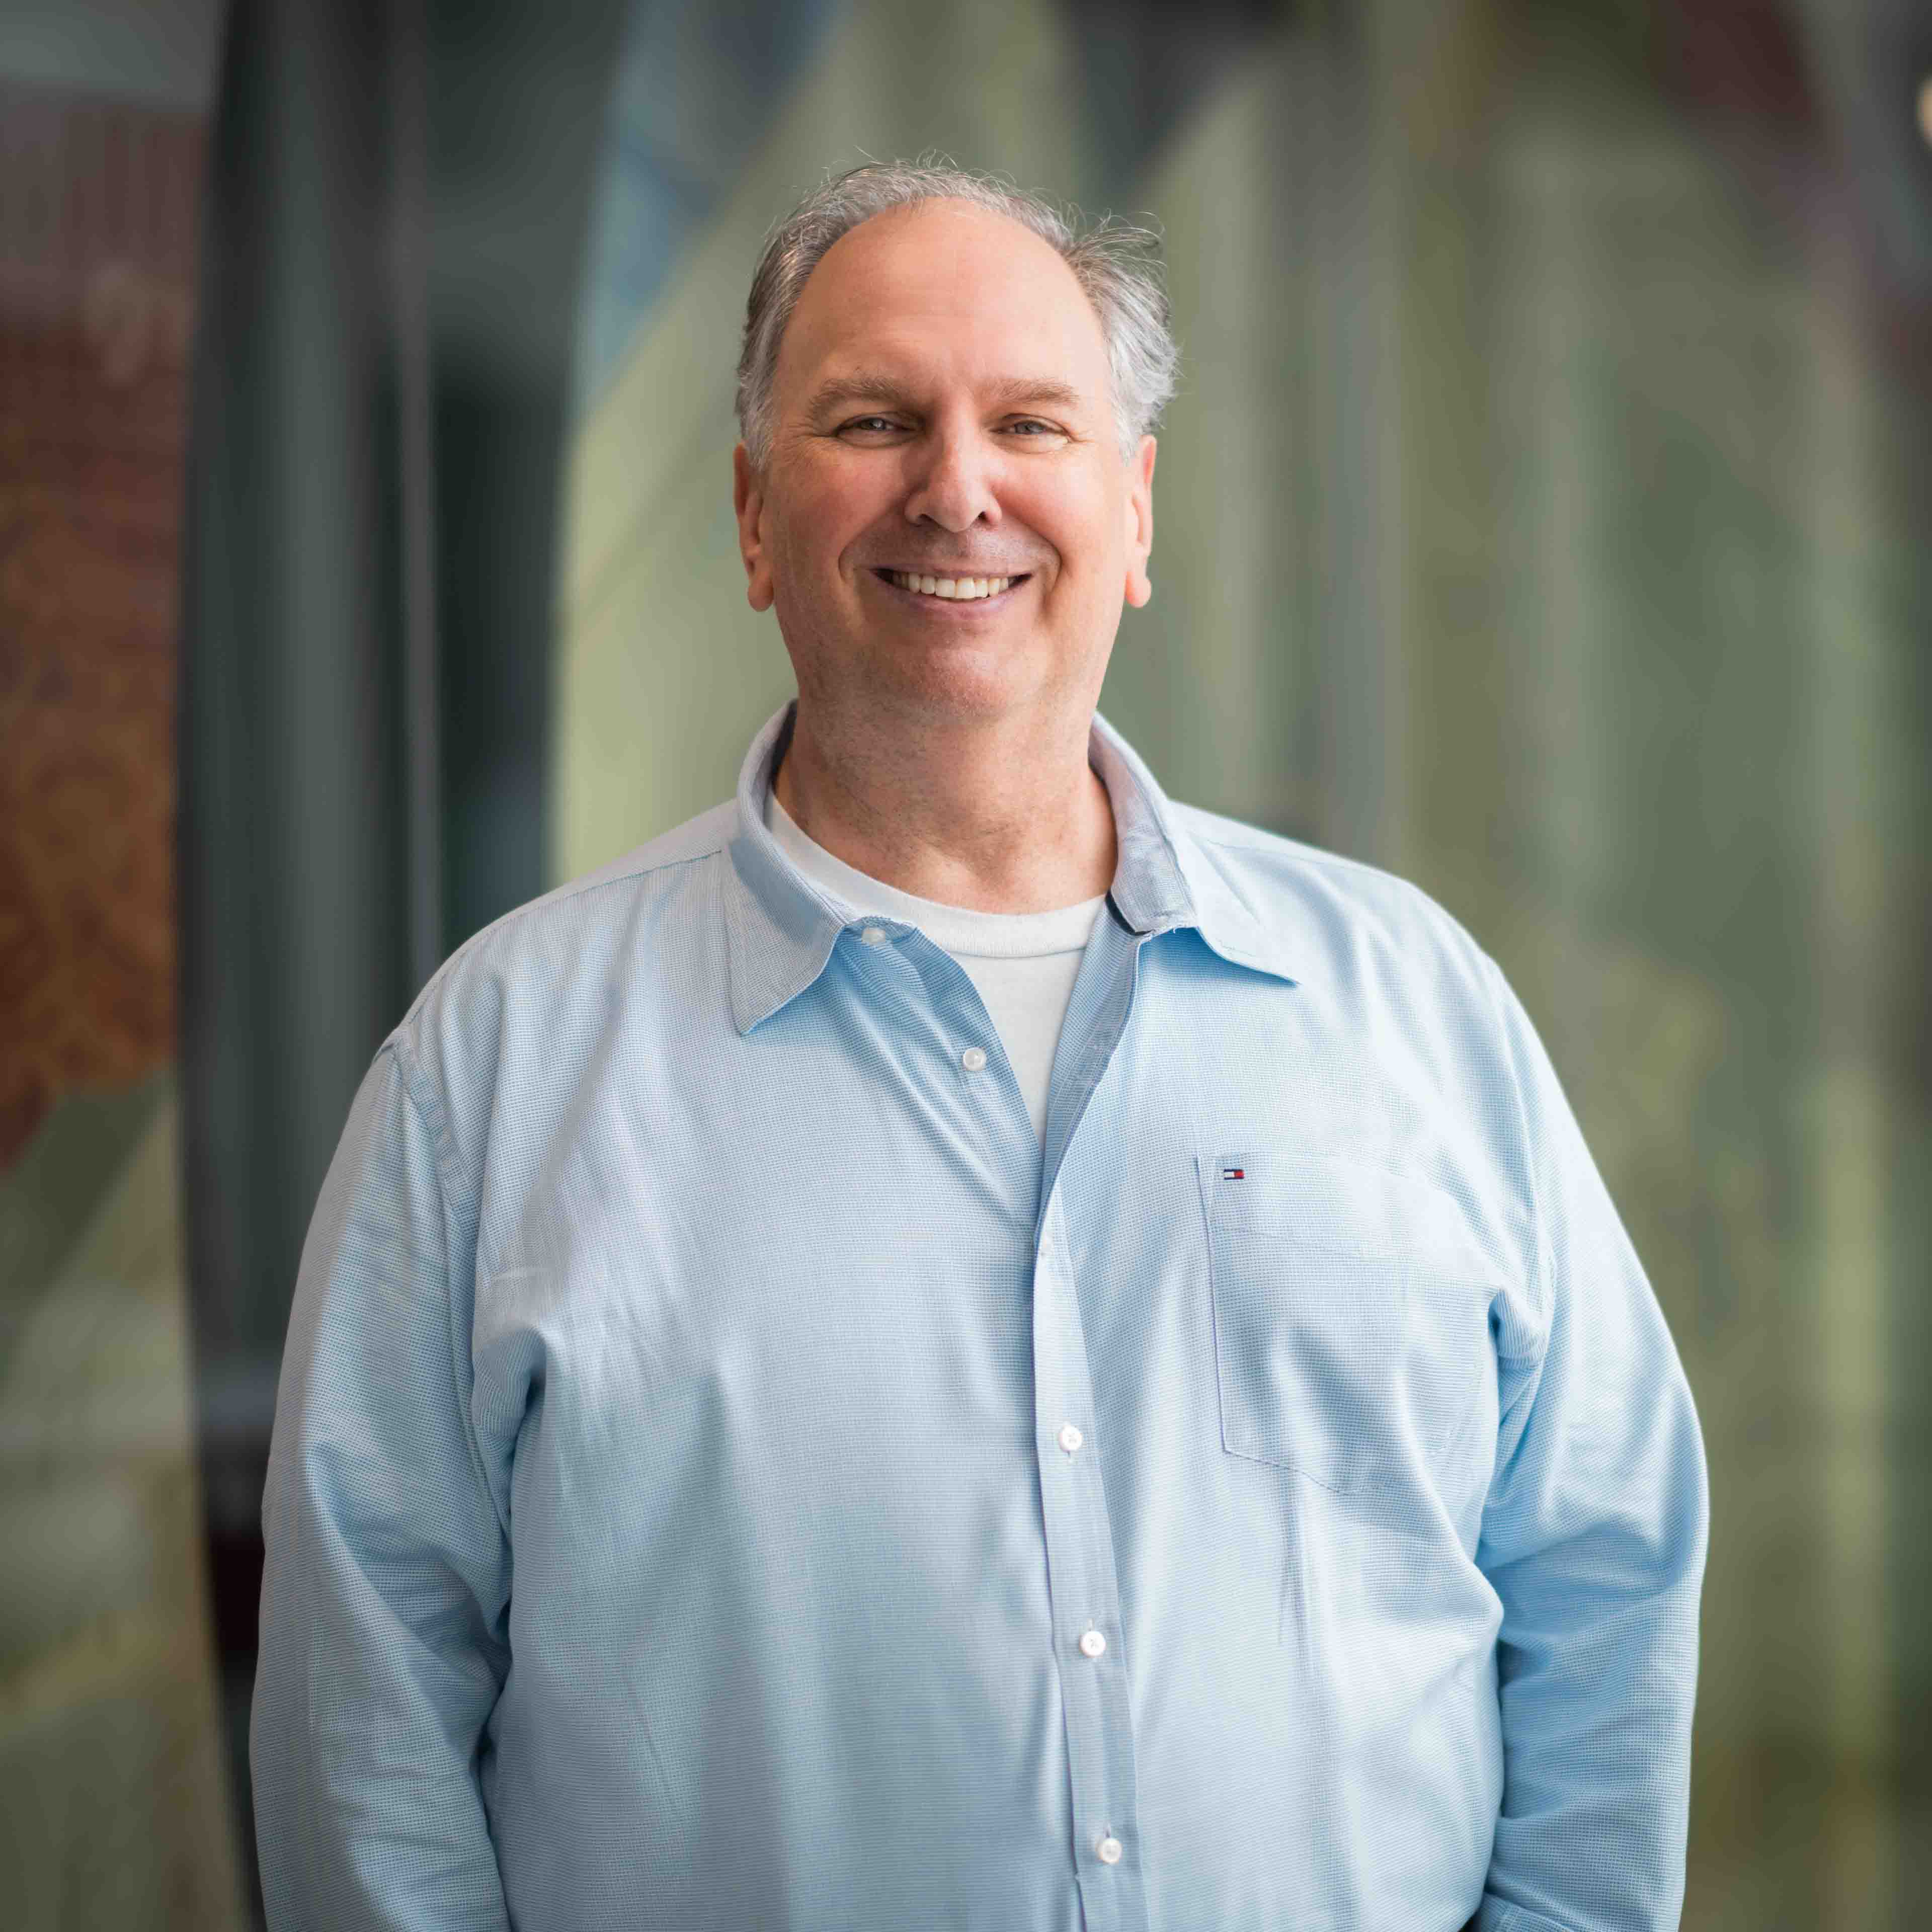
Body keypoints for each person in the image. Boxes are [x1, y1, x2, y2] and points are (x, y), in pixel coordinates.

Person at [252, 161, 1708, 1932]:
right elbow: (368, 1735)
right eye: (875, 419)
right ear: (750, 516)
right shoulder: (493, 1073)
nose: (959, 489)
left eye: (1033, 421)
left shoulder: (1416, 1007)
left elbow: (1606, 1585)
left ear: (1140, 513)